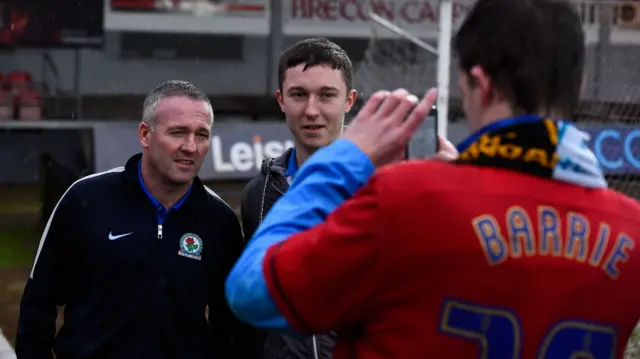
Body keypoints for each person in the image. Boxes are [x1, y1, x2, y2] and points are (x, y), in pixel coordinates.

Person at [224, 0, 640, 358]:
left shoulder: (408, 198)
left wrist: (342, 160)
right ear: (579, 85)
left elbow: (250, 291)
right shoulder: (631, 227)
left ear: (478, 83)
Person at [16, 80, 254, 359]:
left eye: (202, 135)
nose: (191, 146)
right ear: (145, 134)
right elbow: (38, 303)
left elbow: (231, 325)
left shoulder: (220, 220)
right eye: (178, 133)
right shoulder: (86, 199)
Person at [240, 37, 357, 359]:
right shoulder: (259, 193)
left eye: (326, 95)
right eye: (298, 95)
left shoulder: (384, 185)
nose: (311, 110)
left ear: (349, 100)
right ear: (281, 100)